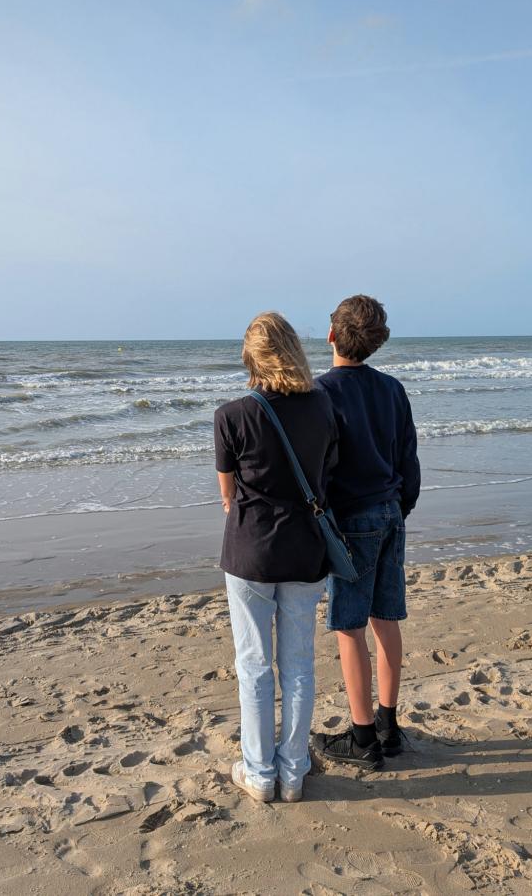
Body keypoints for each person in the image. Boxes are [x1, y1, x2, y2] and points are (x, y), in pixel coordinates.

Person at [215, 312, 338, 803]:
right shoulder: (324, 407)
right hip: (306, 547)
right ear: (295, 351)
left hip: (251, 550)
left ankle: (259, 773)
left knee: (254, 664)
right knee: (299, 664)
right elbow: (329, 471)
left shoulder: (232, 415)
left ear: (250, 358)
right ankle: (293, 772)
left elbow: (227, 494)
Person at [312, 294, 420, 770]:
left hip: (353, 518)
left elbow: (319, 467)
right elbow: (408, 459)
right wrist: (401, 504)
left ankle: (362, 736)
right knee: (385, 619)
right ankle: (388, 724)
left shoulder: (321, 394)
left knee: (350, 627)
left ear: (332, 334)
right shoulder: (392, 390)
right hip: (391, 509)